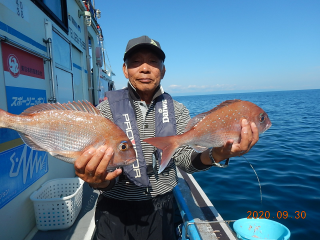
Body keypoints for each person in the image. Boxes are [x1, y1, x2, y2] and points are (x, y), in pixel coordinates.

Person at [74, 35, 259, 240]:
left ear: (163, 70)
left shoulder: (177, 111)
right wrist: (98, 181)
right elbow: (104, 170)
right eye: (136, 62)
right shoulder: (105, 111)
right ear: (125, 70)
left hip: (162, 209)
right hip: (115, 211)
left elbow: (186, 161)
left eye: (153, 62)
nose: (145, 68)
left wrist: (217, 153)